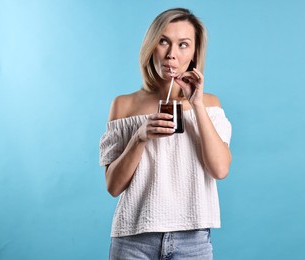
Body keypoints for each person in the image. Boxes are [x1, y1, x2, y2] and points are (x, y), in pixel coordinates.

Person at [99, 7, 232, 259]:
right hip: (133, 240)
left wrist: (197, 104)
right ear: (151, 46)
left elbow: (220, 170)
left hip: (192, 239)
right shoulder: (124, 105)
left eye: (183, 45)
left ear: (194, 53)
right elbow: (113, 186)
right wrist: (139, 137)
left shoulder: (210, 104)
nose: (171, 54)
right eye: (163, 41)